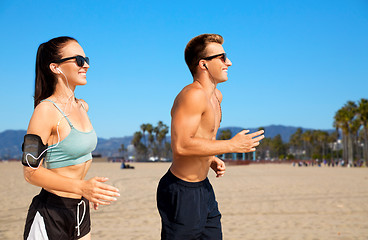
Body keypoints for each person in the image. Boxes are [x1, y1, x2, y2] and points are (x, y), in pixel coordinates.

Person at [156, 34, 264, 239]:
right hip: (181, 190)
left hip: (203, 187)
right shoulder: (192, 94)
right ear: (203, 64)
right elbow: (181, 145)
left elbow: (199, 136)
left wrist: (210, 157)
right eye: (222, 57)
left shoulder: (216, 96)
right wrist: (231, 146)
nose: (229, 62)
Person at [22, 36, 120, 240]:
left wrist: (86, 191)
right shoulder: (45, 110)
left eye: (86, 59)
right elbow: (30, 172)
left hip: (80, 210)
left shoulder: (83, 106)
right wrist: (83, 187)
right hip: (51, 213)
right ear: (55, 68)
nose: (86, 65)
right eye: (78, 60)